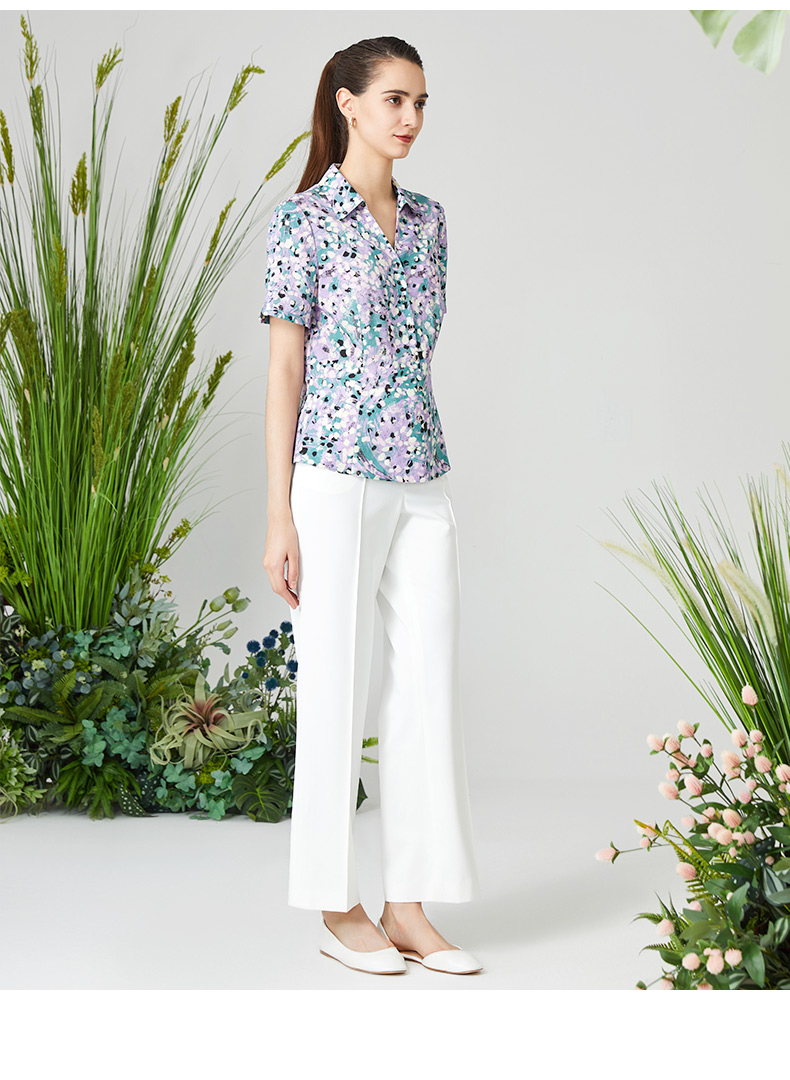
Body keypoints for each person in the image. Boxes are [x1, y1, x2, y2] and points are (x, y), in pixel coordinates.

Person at [260, 36, 482, 976]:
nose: (411, 117)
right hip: (335, 475)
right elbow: (285, 369)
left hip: (420, 469)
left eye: (421, 102)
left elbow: (416, 349)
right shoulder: (302, 221)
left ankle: (409, 906)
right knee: (336, 685)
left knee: (427, 684)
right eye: (395, 99)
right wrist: (280, 515)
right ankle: (334, 903)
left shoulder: (430, 221)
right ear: (348, 104)